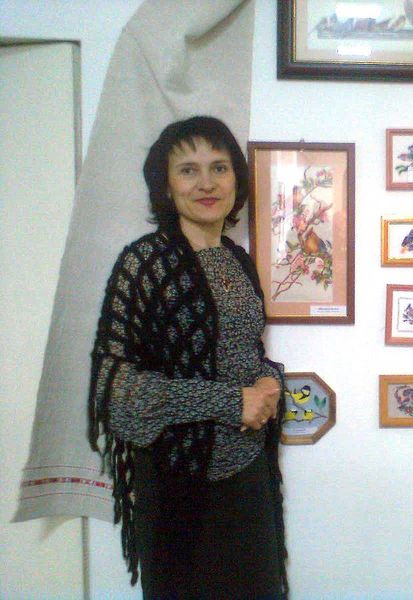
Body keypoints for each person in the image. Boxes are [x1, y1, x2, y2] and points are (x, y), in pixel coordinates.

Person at [88, 116, 288, 599]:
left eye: (219, 167)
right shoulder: (144, 263)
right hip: (178, 486)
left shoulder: (237, 260)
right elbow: (116, 390)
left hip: (249, 477)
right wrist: (230, 403)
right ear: (166, 184)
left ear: (236, 180)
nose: (206, 183)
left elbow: (248, 355)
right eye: (188, 170)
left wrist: (269, 382)